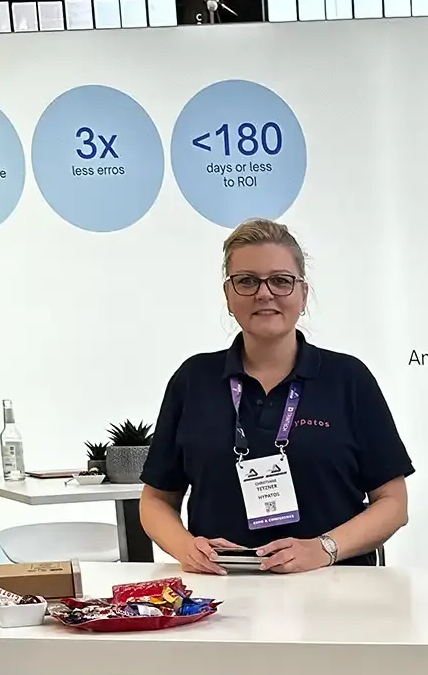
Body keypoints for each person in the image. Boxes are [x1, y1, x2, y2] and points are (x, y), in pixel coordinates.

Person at [141, 219, 412, 574]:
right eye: (247, 281)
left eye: (281, 281)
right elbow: (156, 500)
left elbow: (393, 503)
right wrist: (186, 548)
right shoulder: (193, 379)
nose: (264, 293)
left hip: (333, 587)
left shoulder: (349, 379)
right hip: (221, 590)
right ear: (228, 295)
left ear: (303, 294)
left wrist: (323, 549)